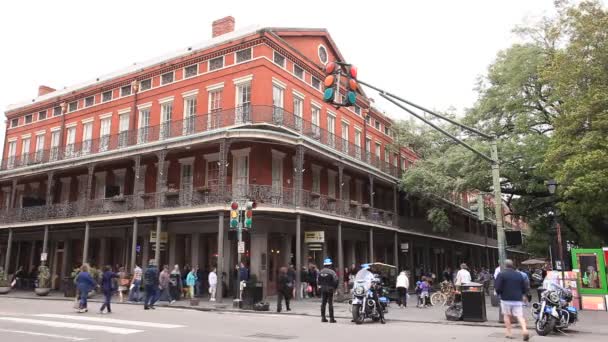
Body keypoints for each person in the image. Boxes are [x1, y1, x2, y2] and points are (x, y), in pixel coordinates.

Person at [495, 259, 529, 341]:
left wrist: (499, 293)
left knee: (507, 315)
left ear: (505, 266)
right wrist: (523, 294)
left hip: (505, 298)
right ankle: (524, 330)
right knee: (520, 316)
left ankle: (509, 333)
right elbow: (524, 287)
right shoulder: (519, 274)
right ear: (512, 265)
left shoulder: (501, 274)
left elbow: (498, 287)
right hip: (517, 298)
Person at [318, 258, 338, 323]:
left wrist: (320, 287)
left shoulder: (320, 271)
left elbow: (318, 281)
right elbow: (336, 280)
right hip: (330, 289)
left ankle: (323, 318)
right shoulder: (332, 272)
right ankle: (331, 319)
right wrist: (335, 288)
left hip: (323, 289)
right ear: (330, 265)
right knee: (330, 303)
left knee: (323, 303)